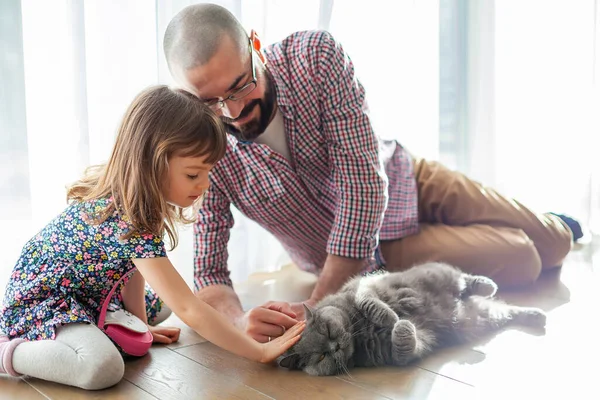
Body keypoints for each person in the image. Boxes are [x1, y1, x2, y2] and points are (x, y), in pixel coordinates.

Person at [161, 4, 581, 344]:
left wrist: (319, 303)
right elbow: (209, 272)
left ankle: (555, 226)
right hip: (370, 254)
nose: (234, 113)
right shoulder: (204, 146)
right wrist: (239, 322)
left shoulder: (315, 57)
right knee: (524, 259)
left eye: (240, 86)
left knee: (555, 241)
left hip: (406, 177)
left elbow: (363, 186)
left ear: (255, 45)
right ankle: (522, 230)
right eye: (212, 101)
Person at [0, 85, 305, 390]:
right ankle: (7, 351)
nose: (205, 184)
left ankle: (103, 324)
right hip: (44, 302)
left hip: (89, 293)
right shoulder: (127, 218)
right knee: (101, 367)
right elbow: (189, 308)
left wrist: (141, 325)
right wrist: (258, 351)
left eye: (207, 172)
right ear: (153, 163)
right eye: (192, 175)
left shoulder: (139, 200)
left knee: (162, 305)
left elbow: (132, 272)